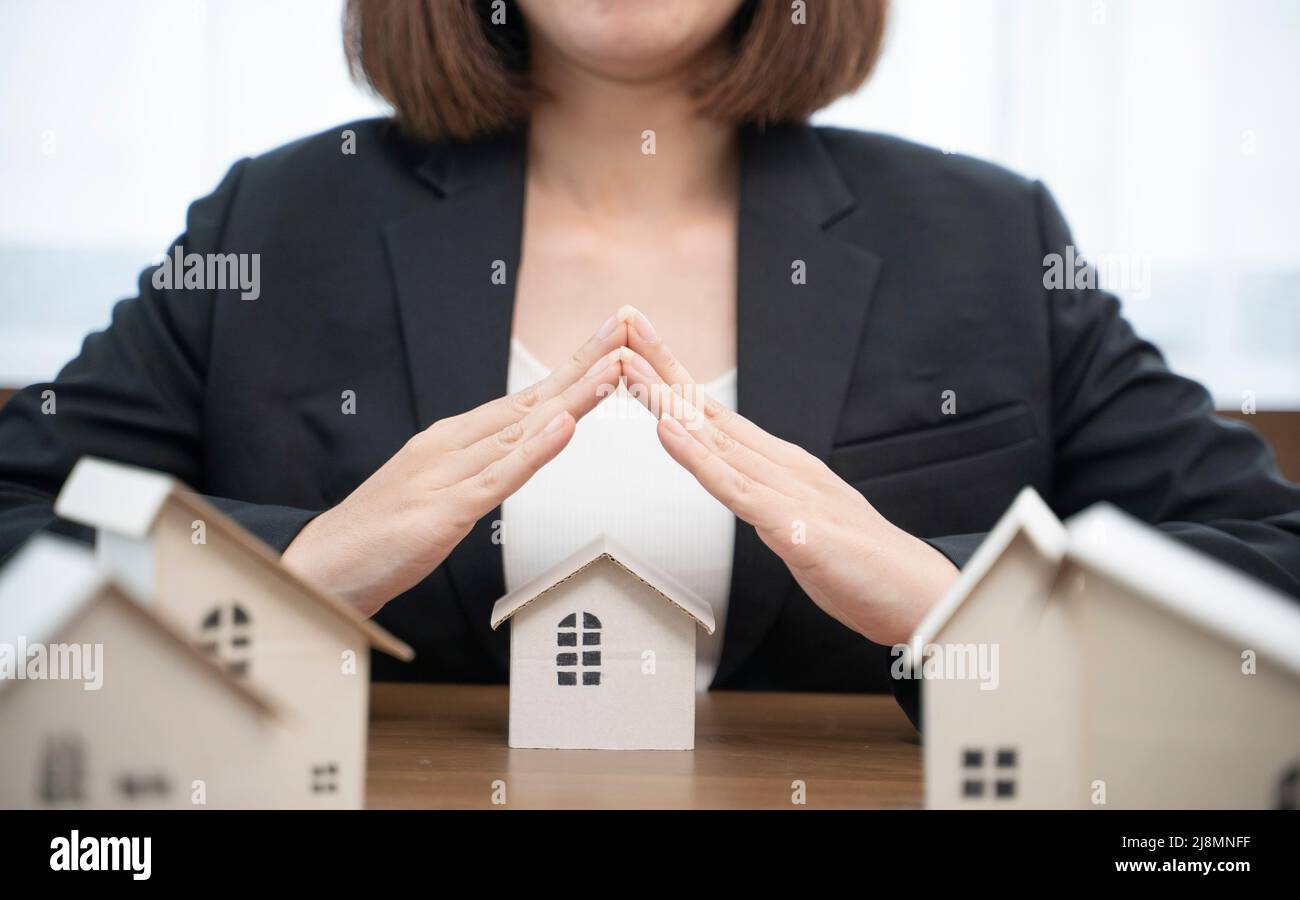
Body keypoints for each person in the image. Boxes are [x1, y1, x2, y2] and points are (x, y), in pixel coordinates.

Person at [1, 0, 1297, 728]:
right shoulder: (279, 222)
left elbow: (1274, 580)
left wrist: (934, 596)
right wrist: (294, 575)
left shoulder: (984, 235)